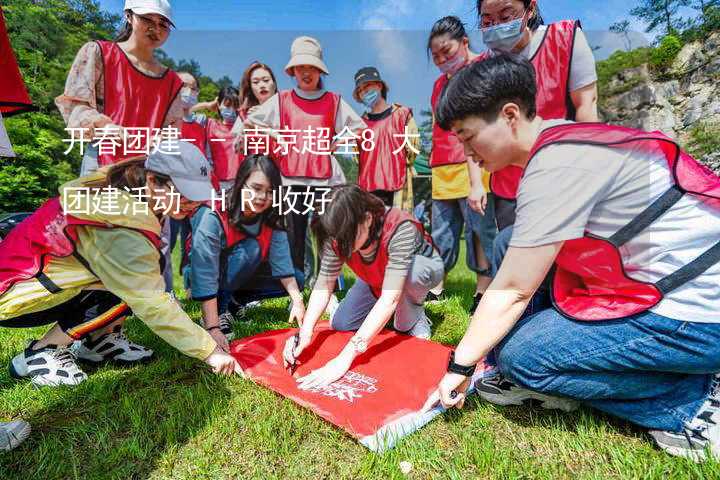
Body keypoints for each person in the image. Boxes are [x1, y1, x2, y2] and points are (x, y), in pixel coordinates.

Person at [426, 54, 720, 461]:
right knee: (508, 240)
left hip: (699, 315)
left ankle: (692, 401)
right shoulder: (564, 137)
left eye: (468, 136)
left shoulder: (555, 168)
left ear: (509, 115)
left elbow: (511, 290)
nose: (466, 152)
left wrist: (461, 365)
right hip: (667, 280)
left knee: (523, 359)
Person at [0, 142, 242, 390]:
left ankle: (100, 341)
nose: (191, 203)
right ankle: (42, 351)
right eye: (183, 193)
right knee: (136, 288)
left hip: (34, 281)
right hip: (16, 295)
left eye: (195, 194)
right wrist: (210, 351)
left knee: (142, 275)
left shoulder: (129, 190)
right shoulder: (120, 218)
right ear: (152, 180)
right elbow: (150, 301)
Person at [236, 36, 366, 308]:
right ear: (292, 71)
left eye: (312, 67)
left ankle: (326, 291)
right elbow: (251, 123)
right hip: (290, 181)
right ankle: (295, 295)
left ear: (320, 70)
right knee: (293, 240)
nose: (306, 72)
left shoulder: (333, 101)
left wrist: (336, 142)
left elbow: (360, 128)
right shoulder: (281, 100)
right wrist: (276, 134)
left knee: (328, 235)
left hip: (325, 181)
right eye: (300, 67)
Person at [476, 0, 599, 286]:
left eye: (506, 16)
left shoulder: (564, 39)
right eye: (487, 20)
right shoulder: (483, 67)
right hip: (510, 187)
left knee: (566, 270)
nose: (497, 26)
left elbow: (587, 108)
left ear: (529, 9)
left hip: (562, 179)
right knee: (519, 268)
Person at [282, 185, 443, 389]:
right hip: (375, 277)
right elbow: (325, 282)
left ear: (368, 219)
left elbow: (389, 299)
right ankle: (375, 302)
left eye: (347, 237)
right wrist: (305, 332)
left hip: (412, 274)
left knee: (403, 323)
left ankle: (415, 311)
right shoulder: (337, 233)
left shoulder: (401, 228)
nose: (342, 246)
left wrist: (345, 358)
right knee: (341, 323)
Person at [184, 155, 305, 349]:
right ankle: (218, 311)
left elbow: (282, 263)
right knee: (251, 249)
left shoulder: (271, 216)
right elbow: (204, 269)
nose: (262, 197)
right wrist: (212, 327)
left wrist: (298, 301)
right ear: (241, 184)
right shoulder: (212, 213)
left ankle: (234, 302)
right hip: (206, 274)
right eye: (256, 188)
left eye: (270, 191)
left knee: (297, 279)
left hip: (241, 270)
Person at [56, 0, 183, 175]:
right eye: (147, 19)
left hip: (146, 171)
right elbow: (75, 105)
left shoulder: (172, 81)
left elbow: (173, 129)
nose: (156, 29)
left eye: (163, 24)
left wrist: (163, 141)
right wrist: (105, 127)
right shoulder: (99, 53)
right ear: (129, 16)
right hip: (101, 163)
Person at [427, 16, 497, 313]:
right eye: (437, 56)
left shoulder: (485, 67)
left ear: (465, 42)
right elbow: (436, 125)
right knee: (441, 231)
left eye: (447, 51)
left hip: (478, 165)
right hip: (442, 168)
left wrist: (478, 179)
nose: (443, 59)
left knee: (479, 231)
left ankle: (483, 291)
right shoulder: (439, 84)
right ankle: (434, 288)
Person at [351, 66, 419, 212]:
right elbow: (357, 157)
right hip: (368, 191)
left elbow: (412, 149)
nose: (364, 92)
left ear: (379, 85)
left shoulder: (402, 115)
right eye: (360, 90)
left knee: (398, 229)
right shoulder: (359, 125)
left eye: (368, 86)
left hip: (397, 188)